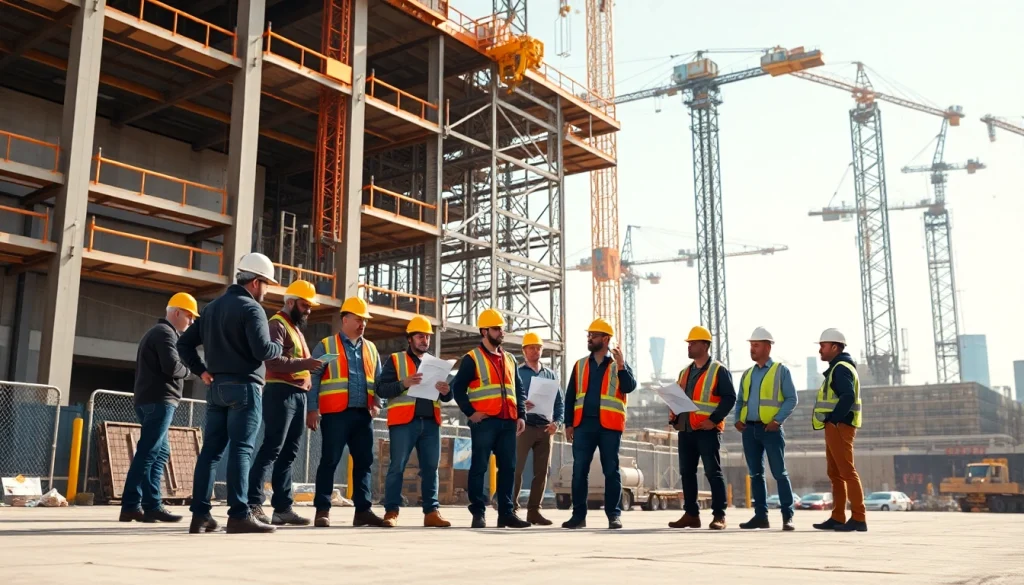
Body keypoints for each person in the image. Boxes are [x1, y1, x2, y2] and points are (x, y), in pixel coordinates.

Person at [178, 252, 284, 534]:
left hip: (216, 388)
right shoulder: (252, 309)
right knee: (241, 450)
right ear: (256, 282)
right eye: (267, 285)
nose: (266, 290)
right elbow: (262, 350)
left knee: (211, 451)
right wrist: (278, 348)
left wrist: (201, 371)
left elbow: (184, 344)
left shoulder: (211, 308)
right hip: (245, 388)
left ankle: (200, 515)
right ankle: (239, 514)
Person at [247, 280, 324, 527]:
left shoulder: (295, 328)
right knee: (272, 448)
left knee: (289, 453)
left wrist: (307, 375)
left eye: (310, 306)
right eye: (304, 305)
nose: (308, 311)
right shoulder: (277, 324)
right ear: (290, 303)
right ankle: (254, 503)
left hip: (297, 394)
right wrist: (306, 365)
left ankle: (282, 509)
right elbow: (273, 361)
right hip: (280, 393)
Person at [306, 296, 385, 528]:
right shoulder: (327, 345)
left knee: (364, 463)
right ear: (345, 319)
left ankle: (363, 511)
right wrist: (312, 409)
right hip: (335, 414)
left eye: (365, 320)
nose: (362, 324)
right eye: (358, 319)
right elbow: (314, 376)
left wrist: (378, 402)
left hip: (363, 415)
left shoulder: (370, 348)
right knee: (329, 461)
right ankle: (322, 510)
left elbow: (379, 379)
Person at [119, 292, 198, 524]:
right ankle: (133, 505)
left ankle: (150, 506)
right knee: (148, 452)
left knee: (158, 452)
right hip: (159, 400)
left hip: (153, 400)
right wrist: (191, 372)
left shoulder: (160, 333)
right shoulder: (165, 333)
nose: (191, 322)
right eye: (189, 316)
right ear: (176, 313)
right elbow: (172, 366)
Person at [451, 308, 531, 529]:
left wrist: (521, 414)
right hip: (484, 422)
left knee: (508, 468)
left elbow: (519, 389)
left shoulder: (509, 359)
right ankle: (478, 513)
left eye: (502, 328)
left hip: (508, 421)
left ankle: (506, 513)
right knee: (479, 467)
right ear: (484, 331)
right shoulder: (472, 359)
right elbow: (457, 389)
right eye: (497, 329)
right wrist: (470, 413)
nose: (501, 332)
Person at [377, 316, 454, 528]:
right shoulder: (395, 360)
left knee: (431, 468)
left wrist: (447, 392)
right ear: (410, 339)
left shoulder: (436, 364)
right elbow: (382, 389)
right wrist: (404, 383)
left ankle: (432, 512)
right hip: (404, 422)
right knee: (397, 467)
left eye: (427, 336)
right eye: (420, 336)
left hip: (430, 422)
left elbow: (447, 396)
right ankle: (391, 511)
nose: (425, 340)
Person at [561, 318, 637, 530]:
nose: (589, 338)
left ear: (605, 339)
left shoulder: (618, 366)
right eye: (589, 335)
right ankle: (578, 516)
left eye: (593, 335)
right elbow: (570, 397)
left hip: (609, 427)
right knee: (579, 471)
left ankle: (614, 515)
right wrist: (568, 424)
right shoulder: (580, 365)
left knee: (611, 471)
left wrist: (622, 365)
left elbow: (629, 387)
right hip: (583, 425)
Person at [668, 325, 736, 531]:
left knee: (712, 472)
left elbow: (730, 398)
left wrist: (714, 420)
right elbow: (680, 399)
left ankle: (719, 515)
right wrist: (673, 416)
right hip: (686, 430)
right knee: (686, 473)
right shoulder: (684, 372)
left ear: (705, 345)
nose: (689, 347)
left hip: (707, 430)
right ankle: (691, 514)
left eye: (693, 343)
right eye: (689, 343)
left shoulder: (718, 370)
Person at [734, 326, 798, 531]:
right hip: (749, 431)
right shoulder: (747, 374)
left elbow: (791, 399)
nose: (752, 349)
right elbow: (740, 400)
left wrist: (777, 420)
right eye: (751, 345)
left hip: (771, 430)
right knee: (755, 475)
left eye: (756, 345)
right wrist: (737, 419)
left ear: (768, 347)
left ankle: (788, 516)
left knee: (779, 473)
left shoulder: (781, 371)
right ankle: (760, 516)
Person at [811, 328, 867, 532]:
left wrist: (834, 420)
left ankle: (859, 518)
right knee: (835, 473)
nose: (820, 351)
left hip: (840, 426)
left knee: (846, 472)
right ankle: (838, 516)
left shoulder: (841, 368)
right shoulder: (839, 367)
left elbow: (848, 396)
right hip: (836, 426)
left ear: (834, 347)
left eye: (822, 346)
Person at [513, 331, 563, 526]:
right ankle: (512, 509)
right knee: (516, 469)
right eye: (532, 348)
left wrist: (557, 423)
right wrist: (521, 405)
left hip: (545, 428)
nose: (536, 351)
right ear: (524, 351)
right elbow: (510, 397)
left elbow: (560, 403)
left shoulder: (550, 375)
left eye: (538, 347)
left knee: (542, 472)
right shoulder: (517, 372)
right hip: (524, 427)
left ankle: (534, 511)